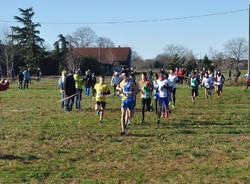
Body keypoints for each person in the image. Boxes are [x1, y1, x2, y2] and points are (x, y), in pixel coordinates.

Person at [116, 70, 138, 135]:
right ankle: (123, 130)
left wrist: (132, 92)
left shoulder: (130, 82)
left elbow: (136, 89)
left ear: (125, 75)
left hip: (130, 99)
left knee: (130, 114)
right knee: (122, 114)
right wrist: (119, 91)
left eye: (122, 74)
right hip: (124, 99)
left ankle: (125, 124)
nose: (121, 76)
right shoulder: (121, 83)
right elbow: (117, 90)